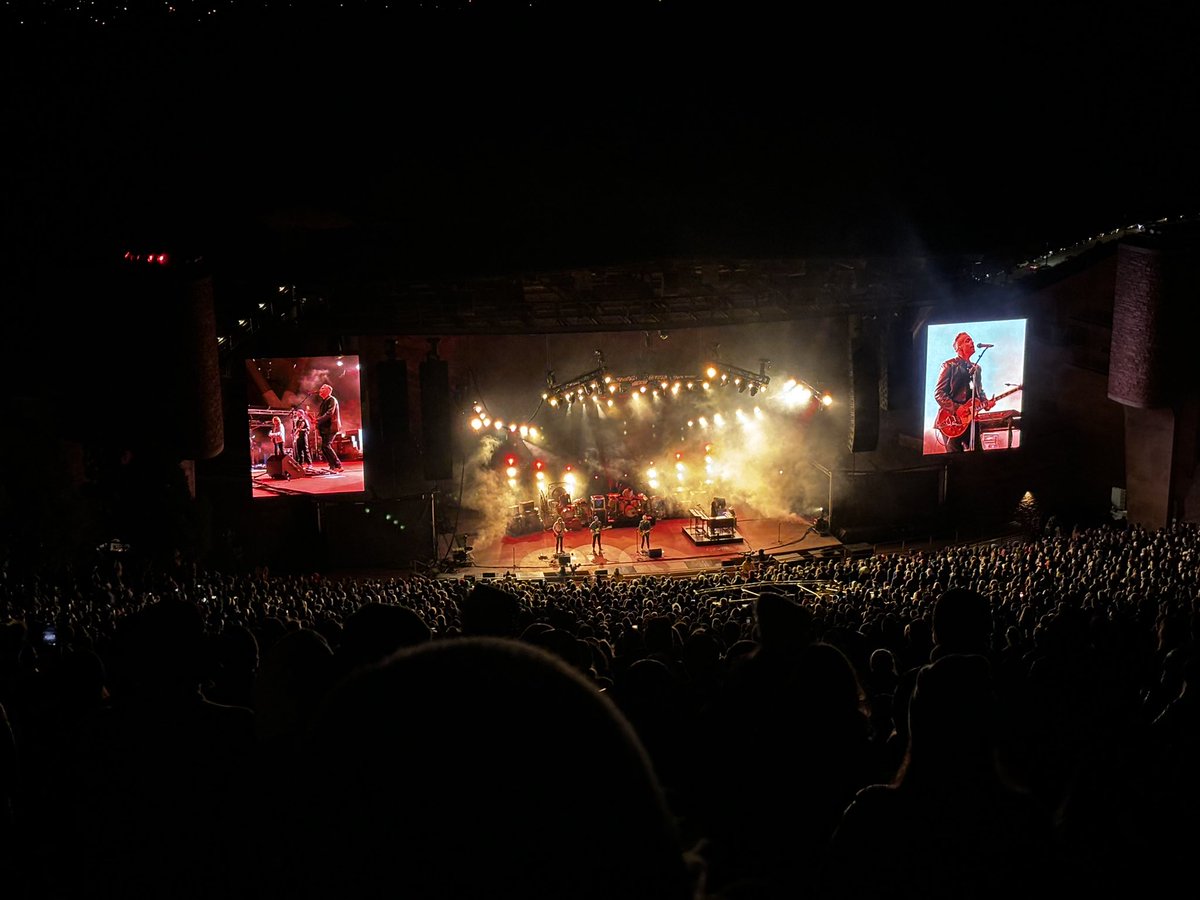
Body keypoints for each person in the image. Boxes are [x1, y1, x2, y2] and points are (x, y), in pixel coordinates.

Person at [934, 331, 995, 452]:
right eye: (967, 340)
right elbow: (939, 393)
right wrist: (957, 408)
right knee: (954, 459)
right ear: (959, 347)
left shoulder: (976, 368)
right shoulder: (949, 365)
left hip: (971, 419)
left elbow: (979, 391)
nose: (972, 342)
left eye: (971, 340)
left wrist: (986, 402)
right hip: (951, 420)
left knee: (978, 457)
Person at [315, 383, 344, 472]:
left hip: (331, 426)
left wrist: (318, 420)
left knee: (326, 445)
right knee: (323, 447)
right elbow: (321, 415)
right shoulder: (324, 402)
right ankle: (332, 466)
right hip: (325, 427)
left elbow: (330, 413)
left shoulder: (332, 400)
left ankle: (338, 465)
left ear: (328, 390)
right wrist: (317, 422)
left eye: (322, 388)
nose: (320, 389)